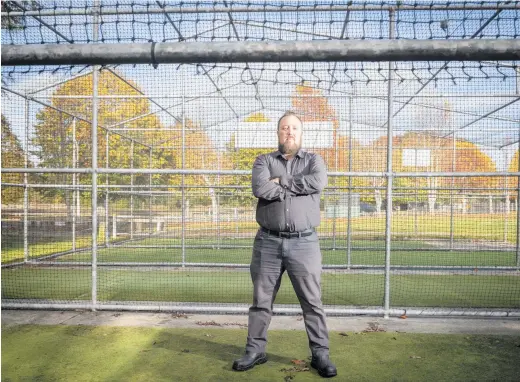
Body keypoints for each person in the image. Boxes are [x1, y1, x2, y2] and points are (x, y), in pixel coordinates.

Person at [232, 111, 337, 378]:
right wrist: (292, 188)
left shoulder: (314, 160)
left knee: (312, 302)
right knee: (261, 301)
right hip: (267, 242)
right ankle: (255, 351)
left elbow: (318, 182)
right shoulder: (263, 160)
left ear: (301, 133)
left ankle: (320, 354)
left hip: (305, 243)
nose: (289, 132)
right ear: (278, 133)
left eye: (294, 128)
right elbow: (260, 188)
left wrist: (282, 181)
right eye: (284, 128)